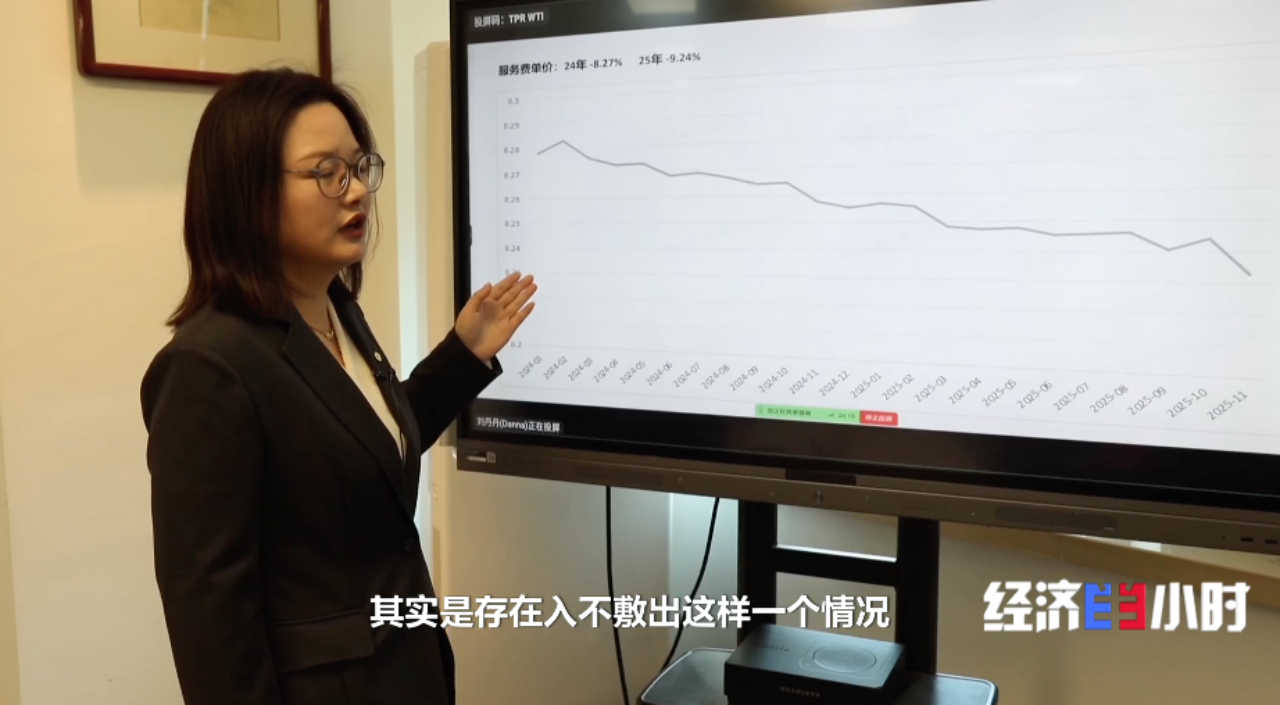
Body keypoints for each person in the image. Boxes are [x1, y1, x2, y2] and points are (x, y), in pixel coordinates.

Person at [139, 68, 536, 705]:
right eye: (325, 172)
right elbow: (211, 625)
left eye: (359, 167)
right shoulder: (208, 367)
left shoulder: (335, 311)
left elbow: (363, 453)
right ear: (247, 190)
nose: (355, 191)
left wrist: (463, 355)